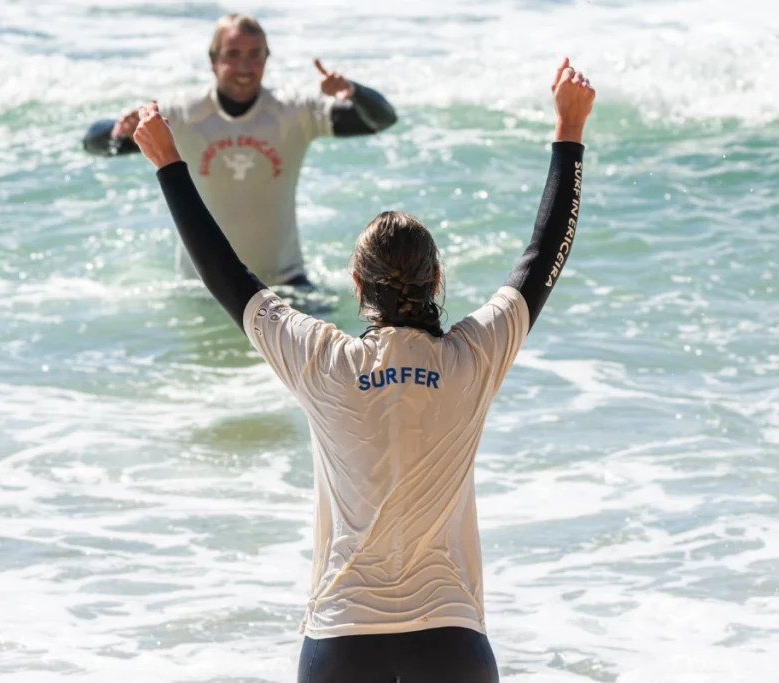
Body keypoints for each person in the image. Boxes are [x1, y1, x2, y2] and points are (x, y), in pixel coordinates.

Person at [133, 57, 595, 683]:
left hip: (342, 639)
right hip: (453, 641)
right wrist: (569, 130)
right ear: (437, 280)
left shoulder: (322, 360)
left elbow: (226, 275)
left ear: (356, 284)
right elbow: (543, 257)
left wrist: (169, 164)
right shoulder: (474, 356)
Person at [82, 13, 397, 287]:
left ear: (266, 59)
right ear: (213, 60)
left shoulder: (294, 111)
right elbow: (95, 144)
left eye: (254, 55)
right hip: (203, 285)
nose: (244, 66)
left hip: (284, 283)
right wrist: (118, 129)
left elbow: (381, 119)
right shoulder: (181, 114)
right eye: (232, 54)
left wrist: (352, 91)